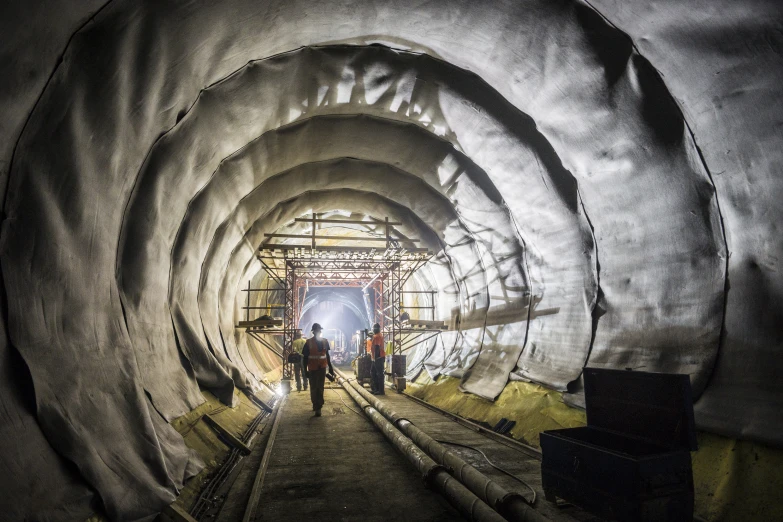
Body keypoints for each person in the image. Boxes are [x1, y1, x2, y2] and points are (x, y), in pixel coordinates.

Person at [302, 323, 334, 416]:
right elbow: (305, 358)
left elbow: (327, 355)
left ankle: (318, 407)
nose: (318, 332)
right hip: (312, 368)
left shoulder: (325, 341)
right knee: (314, 387)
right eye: (317, 330)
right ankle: (315, 404)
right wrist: (305, 371)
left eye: (319, 330)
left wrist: (330, 367)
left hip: (322, 368)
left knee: (320, 387)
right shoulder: (308, 342)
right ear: (314, 332)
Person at [369, 323, 386, 395]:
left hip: (378, 358)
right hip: (377, 358)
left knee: (379, 374)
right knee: (373, 372)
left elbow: (376, 348)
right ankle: (376, 389)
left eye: (374, 329)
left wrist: (375, 359)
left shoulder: (377, 336)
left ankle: (380, 391)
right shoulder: (378, 335)